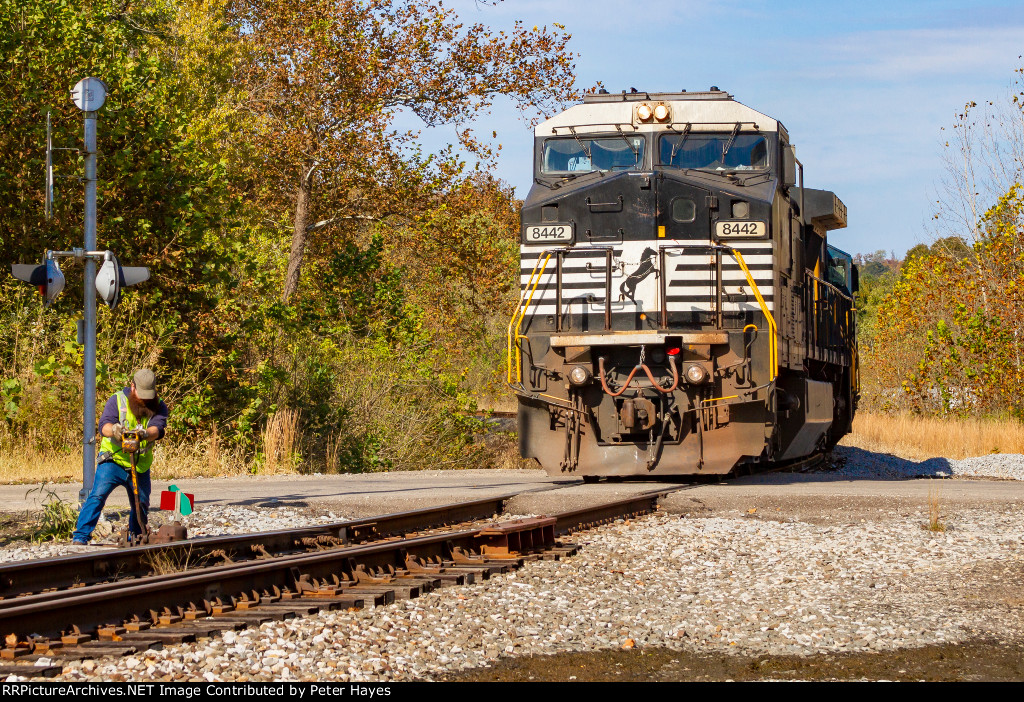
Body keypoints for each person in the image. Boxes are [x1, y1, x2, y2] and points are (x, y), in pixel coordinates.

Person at [71, 369, 169, 545]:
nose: (145, 399)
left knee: (141, 503)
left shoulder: (159, 405)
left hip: (140, 465)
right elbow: (104, 426)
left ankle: (135, 537)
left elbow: (158, 429)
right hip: (113, 461)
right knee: (97, 496)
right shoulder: (117, 399)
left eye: (149, 395)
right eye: (142, 394)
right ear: (133, 387)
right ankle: (80, 537)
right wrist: (115, 430)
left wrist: (145, 434)